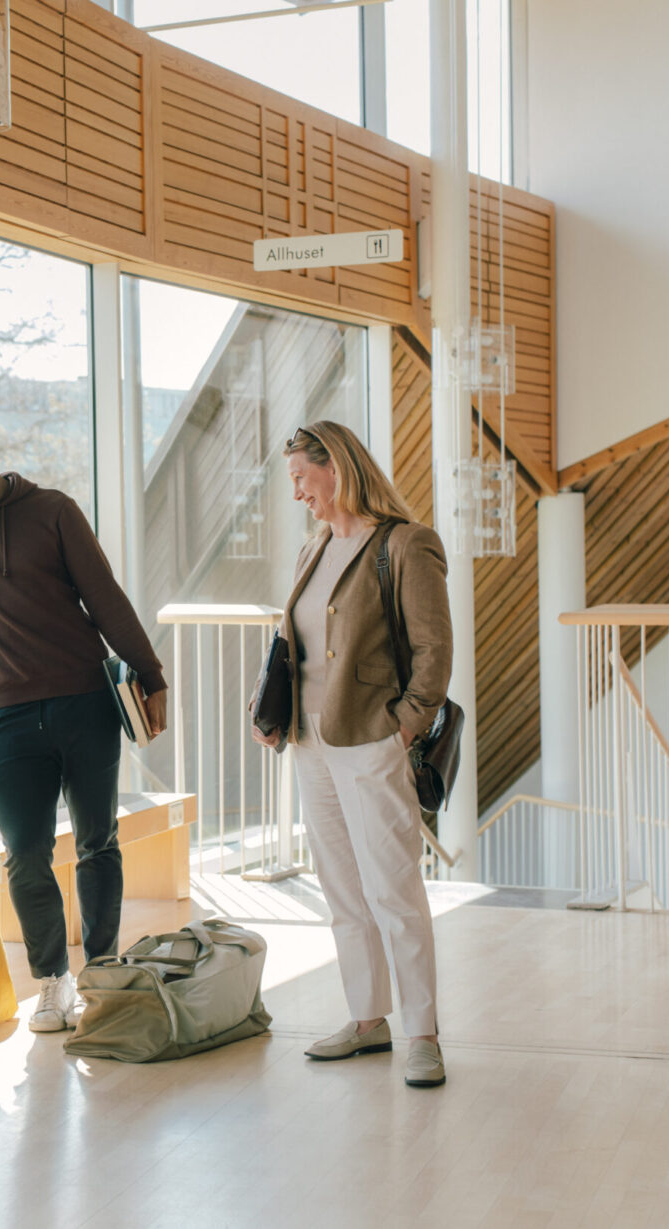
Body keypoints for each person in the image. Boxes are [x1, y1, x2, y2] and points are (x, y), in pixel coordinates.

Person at [0, 411, 168, 1033]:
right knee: (23, 855)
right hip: (9, 718)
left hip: (86, 702)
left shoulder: (54, 510)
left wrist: (150, 674)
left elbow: (104, 596)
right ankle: (53, 981)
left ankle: (102, 969)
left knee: (97, 841)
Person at [251, 421, 451, 1088]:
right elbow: (298, 642)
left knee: (393, 886)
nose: (297, 491)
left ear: (335, 466)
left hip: (370, 738)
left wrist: (403, 728)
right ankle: (368, 1019)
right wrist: (275, 714)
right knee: (341, 886)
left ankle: (422, 1032)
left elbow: (433, 650)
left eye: (302, 476)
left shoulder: (404, 545)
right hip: (311, 741)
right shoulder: (315, 547)